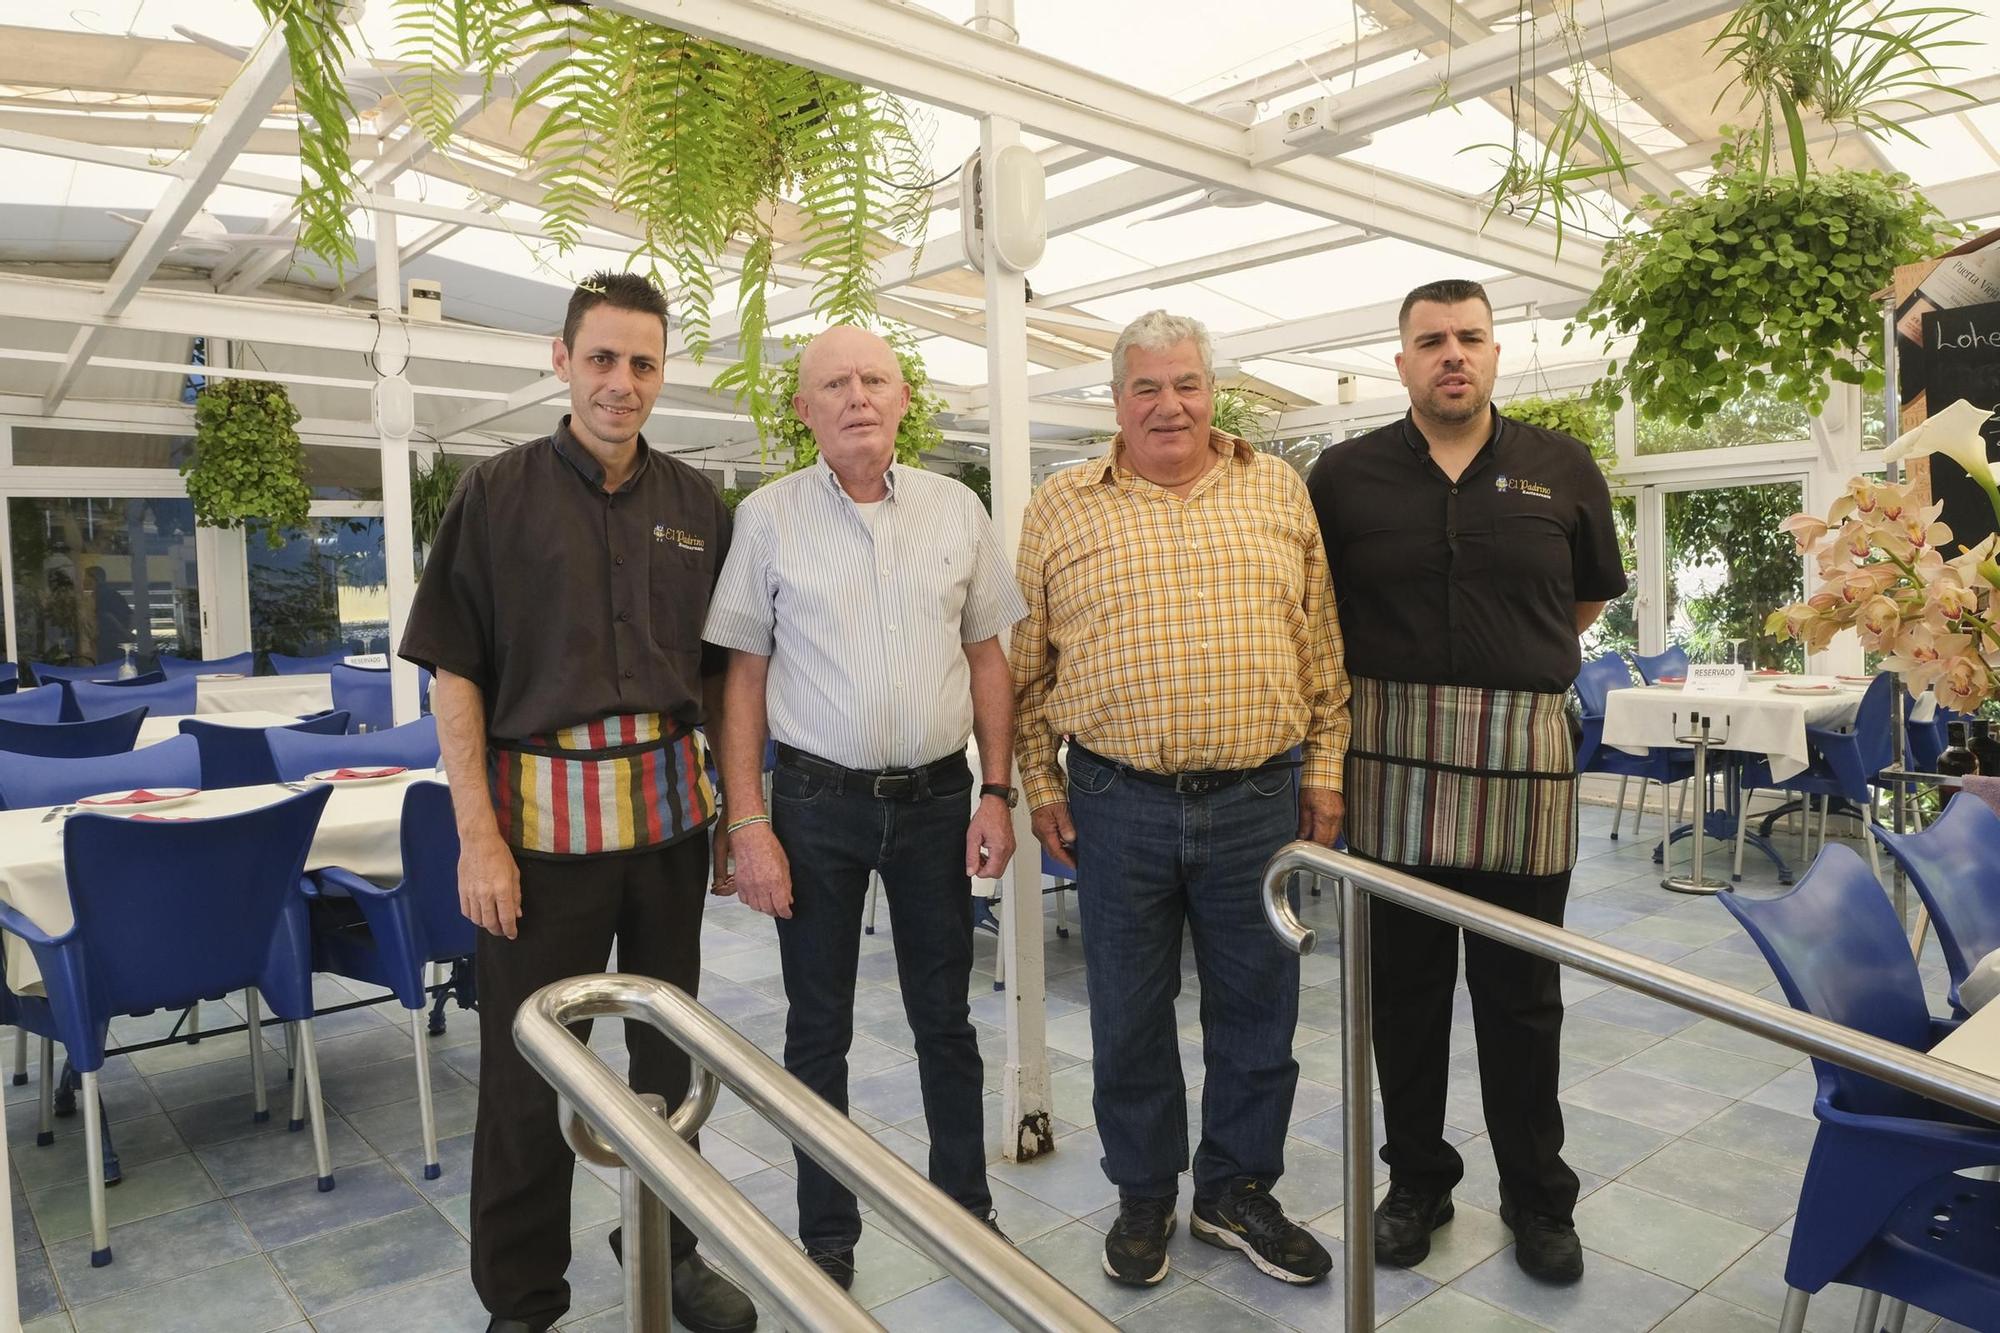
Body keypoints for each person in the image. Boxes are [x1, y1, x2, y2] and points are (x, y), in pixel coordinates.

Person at [400, 272, 757, 1333]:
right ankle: (521, 1297)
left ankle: (668, 1247)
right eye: (601, 358)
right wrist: (477, 838)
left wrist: (734, 815)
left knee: (668, 1058)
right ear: (560, 360)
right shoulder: (492, 494)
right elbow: (453, 672)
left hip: (663, 828)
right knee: (528, 1072)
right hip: (534, 833)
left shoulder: (699, 508)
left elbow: (718, 679)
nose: (621, 382)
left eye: (642, 363)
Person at [1011, 309, 1351, 1289]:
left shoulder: (1276, 488)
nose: (1169, 405)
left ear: (1212, 390)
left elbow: (1320, 652)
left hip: (1261, 799)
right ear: (1115, 401)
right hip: (1117, 802)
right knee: (1126, 1010)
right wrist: (1039, 783)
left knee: (1259, 1007)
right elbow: (1024, 670)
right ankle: (1144, 1192)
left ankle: (1234, 1190)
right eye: (1146, 387)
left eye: (1185, 384)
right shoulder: (1061, 506)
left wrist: (1322, 768)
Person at [1306, 278, 1626, 1285]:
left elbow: (1577, 606)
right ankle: (1416, 1183)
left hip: (1520, 765)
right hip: (1386, 761)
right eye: (1430, 340)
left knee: (1520, 996)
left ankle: (1537, 1197)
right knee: (1400, 996)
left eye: (1469, 338)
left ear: (1495, 354)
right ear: (1399, 360)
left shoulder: (1561, 467)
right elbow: (1315, 614)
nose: (1452, 354)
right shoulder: (1342, 476)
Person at [703, 324, 1027, 1290]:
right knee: (818, 1027)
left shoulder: (956, 509)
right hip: (815, 804)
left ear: (901, 400)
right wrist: (749, 821)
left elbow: (988, 659)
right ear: (803, 410)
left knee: (947, 1020)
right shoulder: (765, 518)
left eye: (874, 380)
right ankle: (827, 1237)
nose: (856, 397)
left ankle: (964, 1213)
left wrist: (998, 790)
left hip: (937, 798)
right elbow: (743, 680)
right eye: (834, 384)